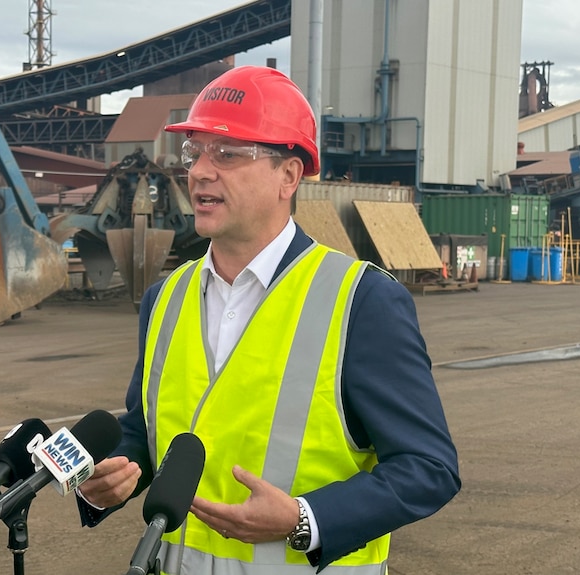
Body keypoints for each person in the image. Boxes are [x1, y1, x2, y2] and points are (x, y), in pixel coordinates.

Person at [76, 65, 460, 574]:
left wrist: (304, 519)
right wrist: (111, 479)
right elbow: (147, 431)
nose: (200, 171)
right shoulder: (164, 297)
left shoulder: (360, 301)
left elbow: (429, 468)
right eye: (195, 152)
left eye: (228, 154)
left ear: (289, 175)